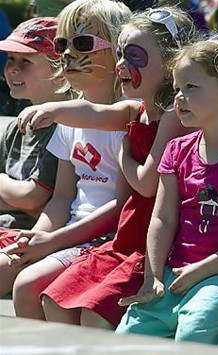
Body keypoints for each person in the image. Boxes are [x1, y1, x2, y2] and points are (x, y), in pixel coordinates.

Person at [17, 7, 197, 330]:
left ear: (171, 62)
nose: (121, 65)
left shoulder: (172, 115)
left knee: (93, 316)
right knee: (54, 300)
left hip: (154, 244)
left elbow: (146, 184)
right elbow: (93, 111)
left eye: (135, 56)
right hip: (124, 239)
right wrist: (53, 109)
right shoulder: (135, 110)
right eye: (119, 54)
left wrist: (126, 153)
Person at [114, 32, 218, 345]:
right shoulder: (177, 150)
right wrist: (152, 276)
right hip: (175, 271)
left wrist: (202, 270)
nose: (178, 97)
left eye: (191, 88)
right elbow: (162, 219)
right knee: (127, 337)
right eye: (177, 88)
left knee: (194, 330)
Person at [0, 0, 132, 318]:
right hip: (68, 236)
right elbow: (61, 198)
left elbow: (124, 205)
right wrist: (36, 239)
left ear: (119, 49)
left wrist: (52, 240)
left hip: (109, 240)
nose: (69, 54)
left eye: (83, 43)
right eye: (63, 44)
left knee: (37, 289)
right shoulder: (69, 121)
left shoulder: (130, 118)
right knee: (28, 281)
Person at [0, 17, 74, 231]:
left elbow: (31, 198)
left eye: (26, 61)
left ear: (60, 74)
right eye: (11, 59)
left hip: (25, 234)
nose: (12, 68)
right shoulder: (16, 127)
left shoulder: (65, 127)